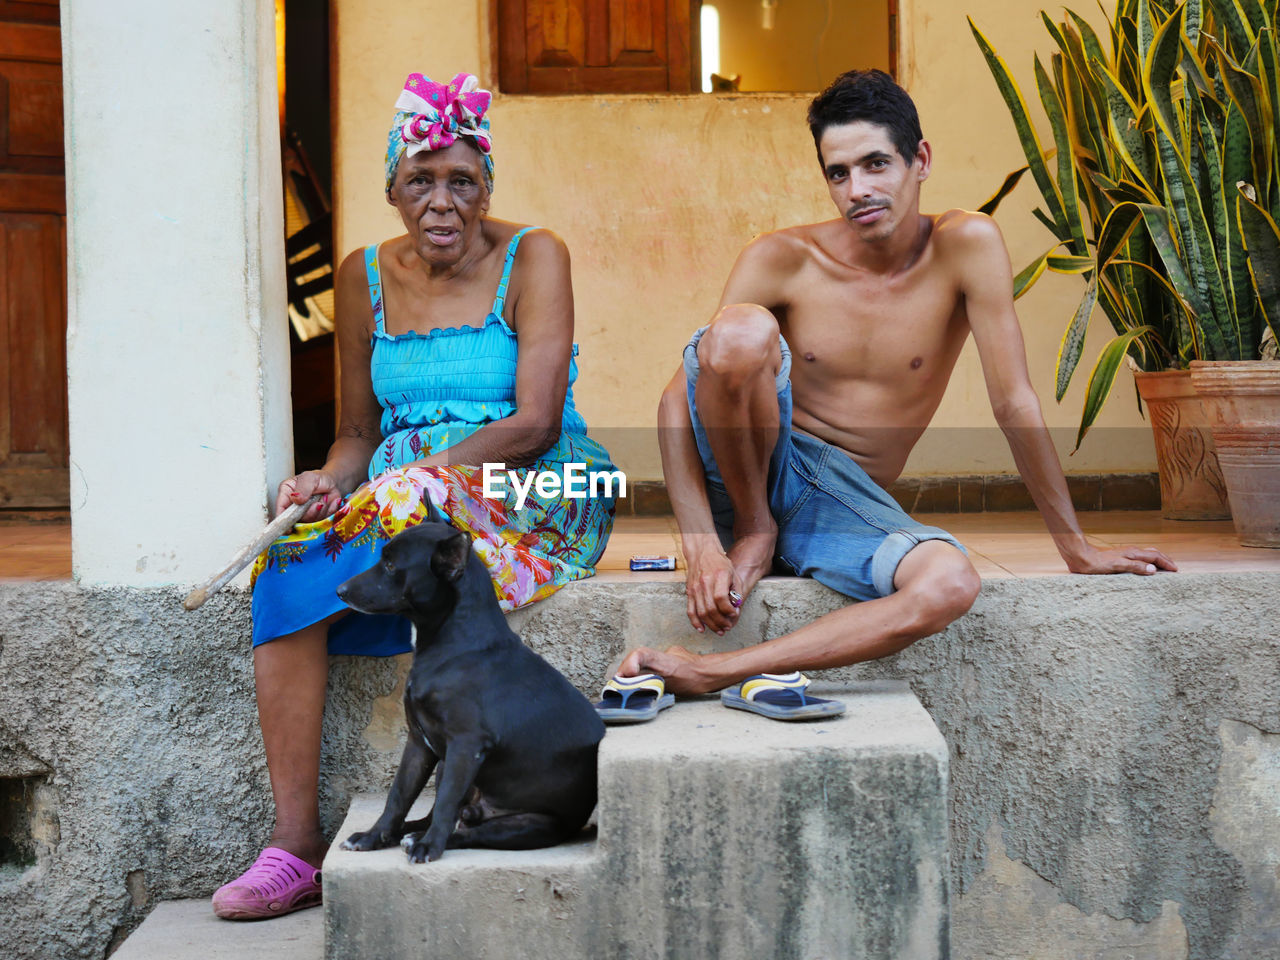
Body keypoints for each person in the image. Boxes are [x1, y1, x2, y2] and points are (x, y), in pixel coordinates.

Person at [618, 69, 1175, 702]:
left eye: (876, 163)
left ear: (921, 161)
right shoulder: (782, 259)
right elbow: (677, 400)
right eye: (838, 173)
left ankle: (715, 671)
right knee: (740, 332)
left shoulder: (966, 246)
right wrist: (701, 546)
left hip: (836, 505)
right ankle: (755, 531)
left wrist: (1075, 546)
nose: (858, 189)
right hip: (743, 469)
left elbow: (1011, 399)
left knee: (951, 583)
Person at [212, 72, 616, 920]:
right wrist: (331, 477)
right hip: (402, 494)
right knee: (287, 563)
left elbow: (537, 419)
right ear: (391, 189)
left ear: (487, 188)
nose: (442, 202)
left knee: (409, 517)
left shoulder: (535, 255)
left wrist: (425, 477)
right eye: (420, 181)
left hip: (528, 481)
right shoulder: (361, 276)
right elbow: (357, 431)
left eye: (462, 181)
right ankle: (293, 847)